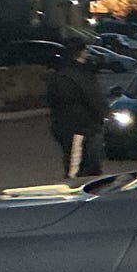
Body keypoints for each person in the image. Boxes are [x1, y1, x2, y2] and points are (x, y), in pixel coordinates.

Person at [45, 41, 109, 179]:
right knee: (76, 167)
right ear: (82, 52)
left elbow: (51, 100)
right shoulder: (81, 74)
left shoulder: (59, 73)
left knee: (80, 162)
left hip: (68, 124)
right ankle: (76, 193)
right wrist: (102, 115)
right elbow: (93, 97)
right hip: (80, 126)